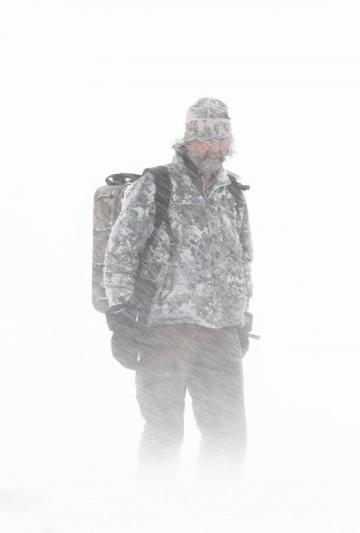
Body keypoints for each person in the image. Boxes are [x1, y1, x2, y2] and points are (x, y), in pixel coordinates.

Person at [103, 98, 253, 477]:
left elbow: (243, 256)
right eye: (208, 140)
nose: (218, 148)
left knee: (228, 433)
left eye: (224, 141)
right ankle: (154, 508)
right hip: (164, 331)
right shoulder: (156, 186)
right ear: (189, 139)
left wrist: (242, 315)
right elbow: (120, 252)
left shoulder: (232, 193)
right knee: (164, 430)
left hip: (221, 331)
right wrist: (120, 317)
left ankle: (216, 508)